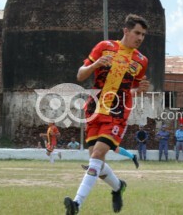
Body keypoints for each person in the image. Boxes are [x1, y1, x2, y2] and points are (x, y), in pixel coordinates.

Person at [64, 14, 150, 215]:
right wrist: (96, 65)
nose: (140, 38)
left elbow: (133, 90)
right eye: (137, 33)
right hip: (94, 109)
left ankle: (76, 204)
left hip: (117, 112)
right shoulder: (104, 46)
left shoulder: (141, 61)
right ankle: (118, 186)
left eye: (143, 35)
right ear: (126, 30)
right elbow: (80, 74)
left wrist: (141, 89)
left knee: (97, 155)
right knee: (98, 163)